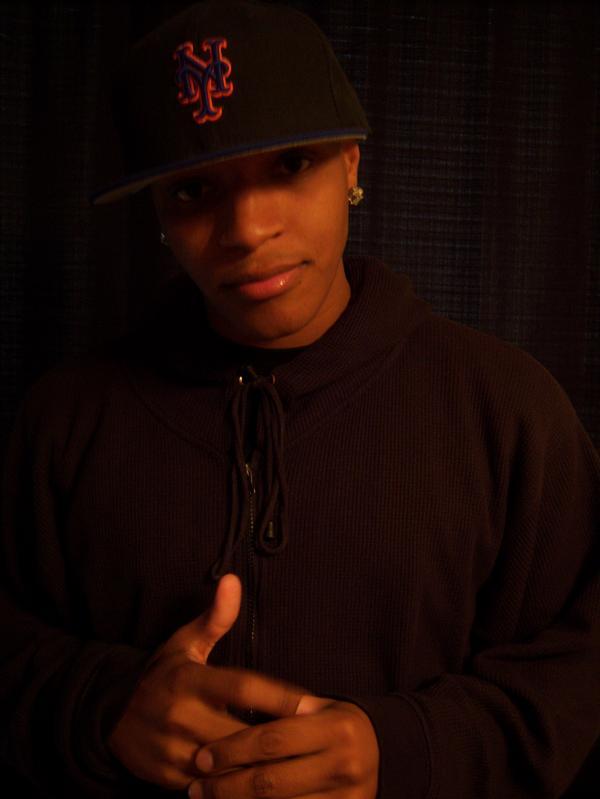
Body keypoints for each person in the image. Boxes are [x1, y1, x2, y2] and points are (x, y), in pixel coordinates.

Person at [1, 1, 598, 798]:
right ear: (158, 213)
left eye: (288, 166)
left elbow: (580, 667)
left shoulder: (508, 410)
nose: (246, 229)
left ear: (351, 165)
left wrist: (405, 751)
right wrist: (98, 706)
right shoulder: (66, 420)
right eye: (193, 190)